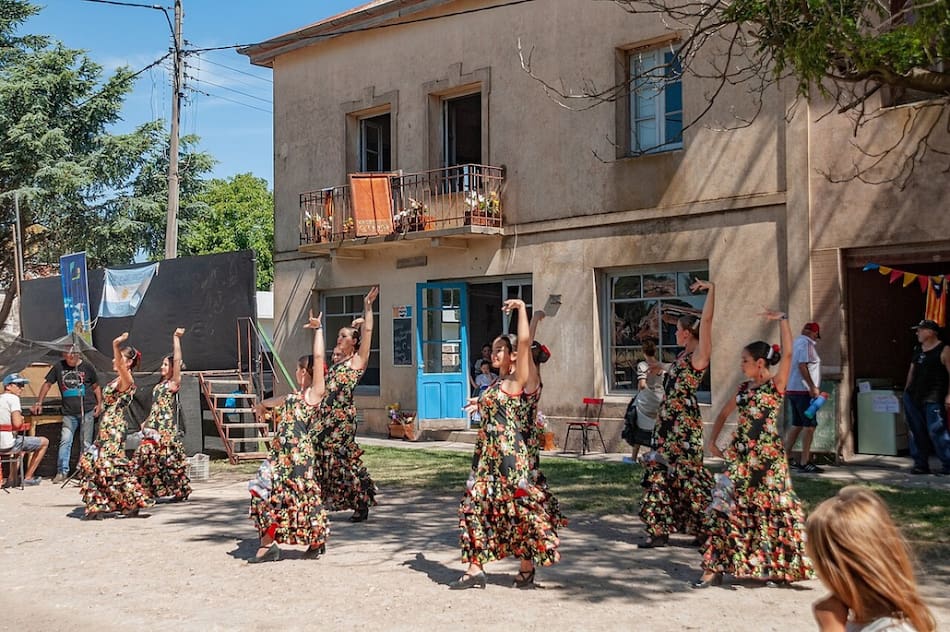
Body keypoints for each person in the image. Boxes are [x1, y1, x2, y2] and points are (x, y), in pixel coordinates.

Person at [696, 309, 812, 588]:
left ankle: (776, 568)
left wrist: (783, 320)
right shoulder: (742, 390)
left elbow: (788, 355)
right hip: (741, 458)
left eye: (745, 361)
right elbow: (723, 414)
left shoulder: (775, 387)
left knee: (771, 511)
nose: (741, 365)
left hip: (768, 461)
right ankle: (713, 568)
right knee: (723, 504)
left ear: (760, 363)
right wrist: (712, 441)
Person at [451, 299, 561, 590]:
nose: (494, 353)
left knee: (517, 510)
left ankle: (526, 565)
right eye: (493, 348)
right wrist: (480, 403)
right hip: (485, 456)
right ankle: (475, 568)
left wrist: (524, 311)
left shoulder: (518, 381)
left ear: (514, 356)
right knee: (472, 506)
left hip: (510, 457)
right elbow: (497, 406)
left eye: (500, 349)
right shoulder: (496, 385)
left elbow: (524, 343)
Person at [638, 279, 715, 548]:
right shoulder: (682, 357)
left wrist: (712, 290)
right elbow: (676, 372)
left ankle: (706, 529)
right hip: (667, 423)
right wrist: (661, 366)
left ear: (687, 333)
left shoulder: (699, 356)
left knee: (688, 474)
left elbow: (706, 323)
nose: (674, 333)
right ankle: (658, 530)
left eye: (678, 330)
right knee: (657, 471)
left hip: (684, 425)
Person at [248, 310, 329, 563]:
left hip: (298, 459)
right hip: (278, 457)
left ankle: (315, 540)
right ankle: (268, 543)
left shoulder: (313, 395)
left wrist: (318, 330)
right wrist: (262, 405)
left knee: (301, 498)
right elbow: (277, 400)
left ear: (304, 372)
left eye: (297, 369)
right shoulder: (293, 397)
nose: (295, 372)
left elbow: (318, 358)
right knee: (261, 489)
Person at [806, 486, 936, 632]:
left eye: (816, 562)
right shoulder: (858, 621)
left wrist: (831, 628)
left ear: (837, 569)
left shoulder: (891, 629)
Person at [312, 286, 379, 523]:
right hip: (325, 419)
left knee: (341, 459)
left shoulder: (356, 362)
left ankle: (361, 500)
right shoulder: (337, 364)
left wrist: (367, 307)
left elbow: (368, 330)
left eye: (344, 336)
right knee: (319, 453)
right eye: (339, 335)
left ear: (354, 342)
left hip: (341, 422)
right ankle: (323, 498)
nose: (339, 339)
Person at [77, 333, 149, 519]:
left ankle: (131, 502)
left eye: (119, 357)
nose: (114, 360)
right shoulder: (116, 380)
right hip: (106, 426)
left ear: (129, 362)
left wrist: (115, 345)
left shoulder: (127, 380)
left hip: (114, 428)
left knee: (110, 465)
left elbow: (121, 368)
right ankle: (99, 504)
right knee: (90, 463)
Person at [132, 328, 191, 501]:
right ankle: (145, 491)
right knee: (147, 456)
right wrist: (146, 421)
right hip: (154, 426)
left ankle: (180, 490)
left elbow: (177, 359)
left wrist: (176, 338)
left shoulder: (173, 383)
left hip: (165, 429)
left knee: (167, 459)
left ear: (173, 367)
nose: (162, 367)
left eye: (165, 364)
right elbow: (156, 406)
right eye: (163, 364)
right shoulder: (160, 384)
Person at [32, 346, 102, 483]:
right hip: (69, 412)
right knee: (65, 440)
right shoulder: (59, 367)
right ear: (64, 355)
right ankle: (62, 471)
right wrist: (39, 402)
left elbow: (96, 386)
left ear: (78, 354)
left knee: (86, 442)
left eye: (73, 354)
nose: (70, 357)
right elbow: (47, 384)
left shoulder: (87, 367)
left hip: (87, 409)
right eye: (67, 354)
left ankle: (84, 471)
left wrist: (99, 404)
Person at [902, 319, 950, 476]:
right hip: (913, 396)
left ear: (931, 332)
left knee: (936, 430)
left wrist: (949, 395)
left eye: (920, 330)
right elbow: (912, 371)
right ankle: (920, 464)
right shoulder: (918, 349)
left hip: (933, 397)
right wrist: (906, 392)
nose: (917, 333)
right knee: (915, 431)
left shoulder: (944, 349)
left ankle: (948, 463)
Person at [785, 321, 824, 473]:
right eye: (816, 335)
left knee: (797, 424)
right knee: (810, 426)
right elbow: (802, 366)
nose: (815, 338)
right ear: (814, 333)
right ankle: (805, 461)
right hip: (804, 392)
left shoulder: (795, 344)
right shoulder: (806, 344)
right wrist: (812, 386)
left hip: (793, 390)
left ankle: (785, 458)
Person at [0, 373, 49, 486]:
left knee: (20, 443)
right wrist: (21, 419)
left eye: (22, 385)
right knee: (44, 442)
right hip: (8, 444)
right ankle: (28, 477)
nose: (22, 388)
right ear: (8, 386)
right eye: (19, 385)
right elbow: (17, 424)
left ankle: (12, 479)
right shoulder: (13, 399)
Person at [627, 339, 665, 462]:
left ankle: (633, 457)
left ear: (643, 351)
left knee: (637, 427)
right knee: (655, 431)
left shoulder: (643, 365)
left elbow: (642, 384)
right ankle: (652, 456)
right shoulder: (660, 365)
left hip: (646, 401)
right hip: (659, 399)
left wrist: (642, 388)